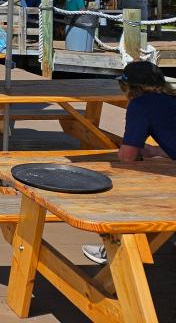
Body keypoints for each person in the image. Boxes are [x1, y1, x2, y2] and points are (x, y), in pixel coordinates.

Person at [81, 61, 176, 265]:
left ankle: (117, 248)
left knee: (130, 193)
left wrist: (135, 149)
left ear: (130, 87)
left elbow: (127, 157)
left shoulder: (140, 105)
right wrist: (156, 151)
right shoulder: (170, 98)